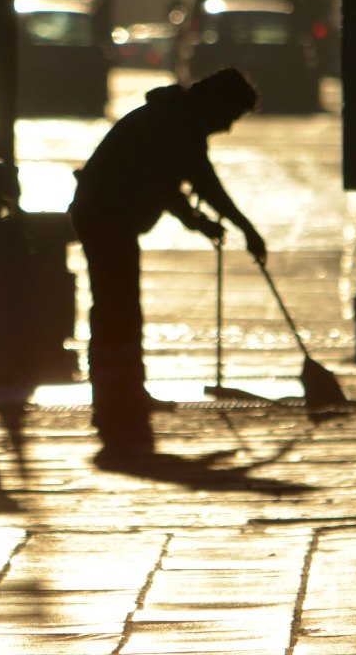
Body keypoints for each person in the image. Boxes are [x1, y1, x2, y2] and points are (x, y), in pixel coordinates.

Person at [69, 68, 267, 463]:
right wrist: (246, 229)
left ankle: (124, 392)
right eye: (230, 117)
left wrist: (199, 222)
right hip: (106, 215)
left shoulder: (174, 120)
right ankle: (113, 396)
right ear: (217, 104)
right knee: (115, 305)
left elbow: (168, 184)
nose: (227, 128)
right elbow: (203, 182)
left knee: (121, 304)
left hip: (108, 214)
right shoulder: (177, 125)